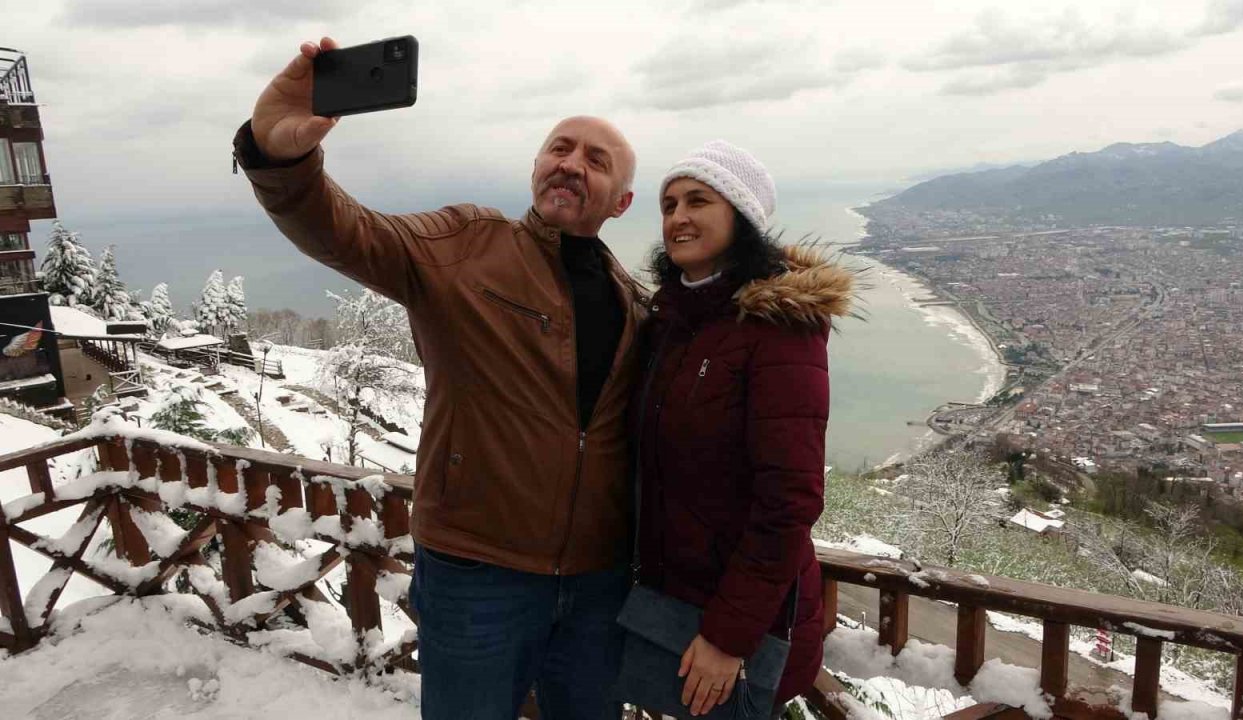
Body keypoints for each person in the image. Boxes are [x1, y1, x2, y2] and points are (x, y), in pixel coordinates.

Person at [233, 38, 646, 720]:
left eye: (595, 160)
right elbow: (347, 233)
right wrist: (281, 157)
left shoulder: (634, 302)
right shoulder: (466, 244)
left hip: (598, 582)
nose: (570, 163)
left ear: (622, 201)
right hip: (479, 573)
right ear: (538, 166)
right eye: (559, 148)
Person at [632, 141, 854, 717]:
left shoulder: (779, 330)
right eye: (669, 203)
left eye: (698, 200)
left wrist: (728, 636)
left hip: (740, 630)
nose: (678, 217)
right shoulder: (676, 320)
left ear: (742, 215)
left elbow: (789, 499)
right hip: (673, 604)